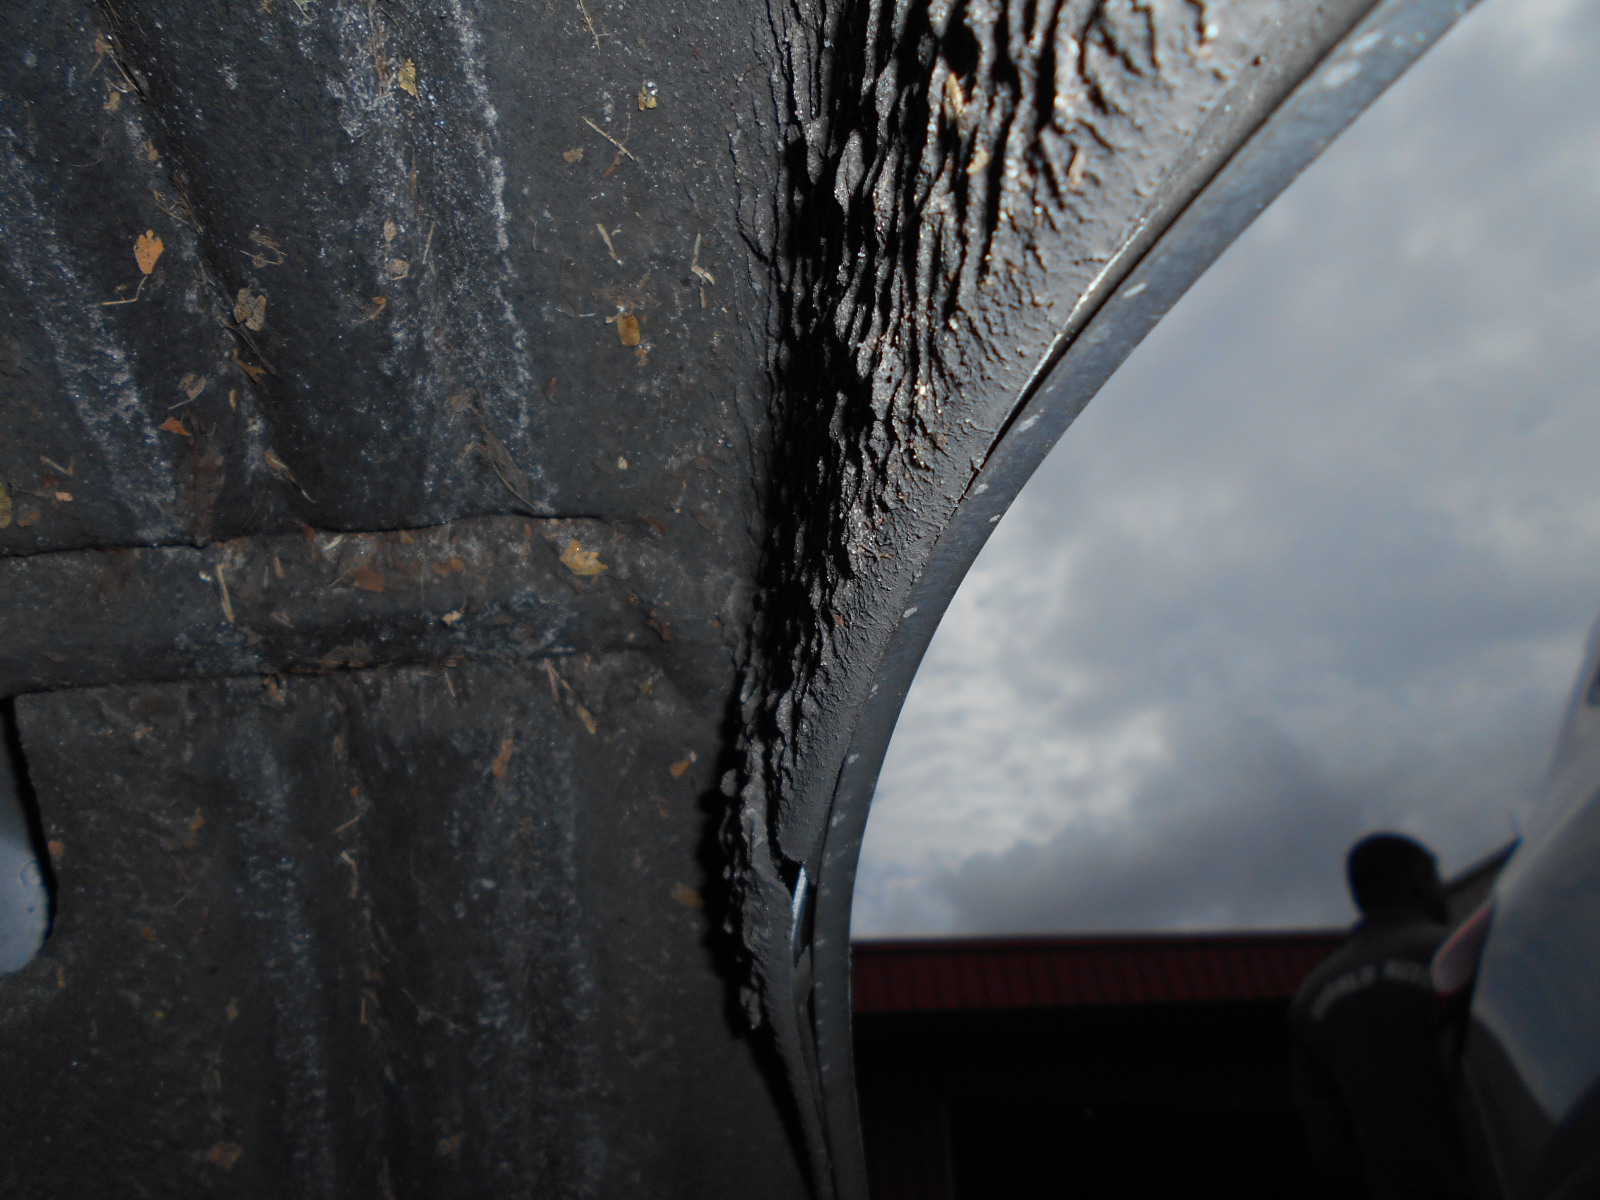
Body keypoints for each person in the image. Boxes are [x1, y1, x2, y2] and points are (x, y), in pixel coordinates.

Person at [1289, 833, 1470, 1200]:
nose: (1443, 892)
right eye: (1438, 879)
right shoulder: (1457, 951)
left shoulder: (1309, 998)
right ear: (1420, 878)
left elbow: (1330, 1151)